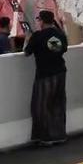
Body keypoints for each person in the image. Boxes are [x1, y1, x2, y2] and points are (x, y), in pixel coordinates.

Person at [24, 10, 68, 146]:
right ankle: (59, 134)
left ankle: (45, 136)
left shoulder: (37, 36)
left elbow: (27, 52)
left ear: (42, 21)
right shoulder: (60, 34)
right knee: (58, 103)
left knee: (41, 105)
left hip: (45, 74)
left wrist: (27, 39)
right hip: (60, 72)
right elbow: (64, 48)